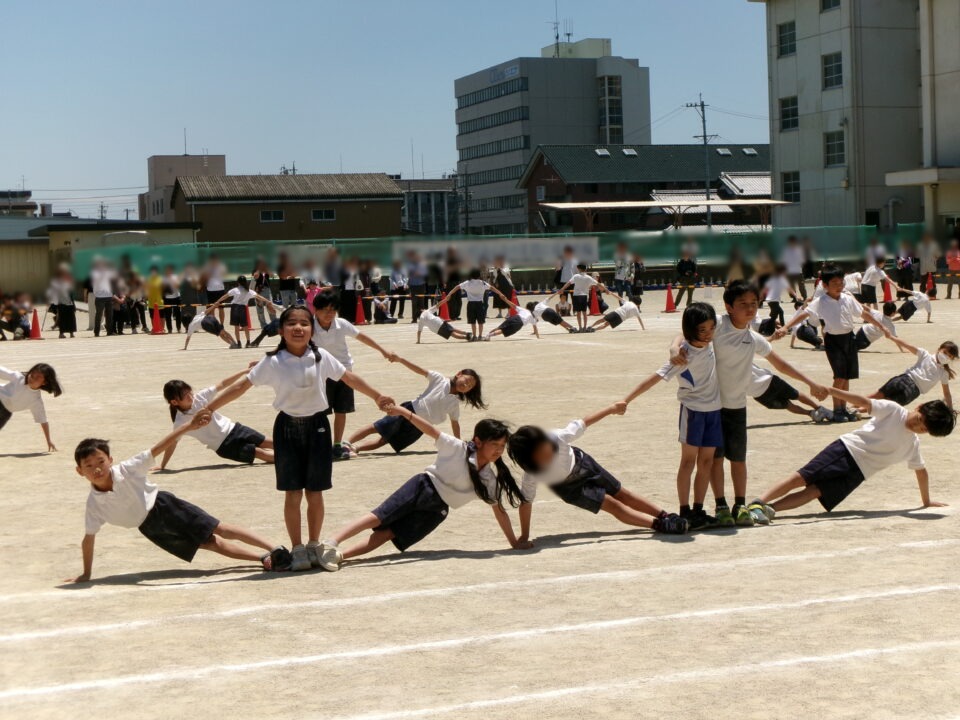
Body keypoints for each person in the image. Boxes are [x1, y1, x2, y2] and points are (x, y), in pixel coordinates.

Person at [205, 305, 393, 571]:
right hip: (287, 429)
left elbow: (348, 378)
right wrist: (210, 408)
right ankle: (298, 547)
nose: (298, 328)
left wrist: (377, 396)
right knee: (292, 491)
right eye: (291, 323)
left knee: (315, 491)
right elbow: (241, 386)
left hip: (318, 427)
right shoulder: (272, 361)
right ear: (281, 330)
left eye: (304, 323)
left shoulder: (321, 357)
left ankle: (314, 544)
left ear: (311, 330)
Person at [676, 282, 829, 526]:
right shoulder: (718, 325)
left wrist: (810, 382)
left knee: (738, 459)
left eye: (754, 304)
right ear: (728, 306)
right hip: (713, 407)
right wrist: (674, 348)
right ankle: (721, 505)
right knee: (715, 460)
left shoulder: (753, 338)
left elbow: (780, 365)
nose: (750, 309)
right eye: (743, 304)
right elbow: (687, 333)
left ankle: (739, 504)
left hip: (737, 406)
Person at [69, 426, 293, 583]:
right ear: (80, 471)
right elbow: (89, 538)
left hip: (164, 506)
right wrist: (86, 573)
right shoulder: (94, 504)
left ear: (110, 460)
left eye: (100, 461)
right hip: (150, 528)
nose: (96, 468)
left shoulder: (127, 469)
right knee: (211, 543)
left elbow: (159, 447)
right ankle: (263, 559)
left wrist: (190, 425)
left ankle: (275, 548)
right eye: (88, 465)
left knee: (219, 528)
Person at [320, 414, 527, 571]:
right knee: (378, 516)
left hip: (437, 511)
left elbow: (499, 511)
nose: (499, 450)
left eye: (502, 446)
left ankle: (339, 556)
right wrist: (404, 412)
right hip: (422, 486)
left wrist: (513, 542)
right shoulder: (458, 448)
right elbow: (430, 429)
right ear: (478, 441)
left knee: (387, 534)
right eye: (494, 444)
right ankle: (331, 542)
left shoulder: (489, 479)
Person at [750, 390, 955, 522]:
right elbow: (863, 401)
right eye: (919, 419)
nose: (917, 426)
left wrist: (926, 501)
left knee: (815, 492)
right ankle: (757, 502)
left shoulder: (912, 445)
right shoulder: (894, 411)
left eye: (924, 429)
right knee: (801, 477)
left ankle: (769, 510)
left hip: (858, 474)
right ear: (918, 407)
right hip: (846, 450)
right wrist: (832, 391)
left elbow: (921, 471)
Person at [508, 402, 689, 541]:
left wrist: (611, 409)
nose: (548, 451)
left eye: (545, 446)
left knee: (622, 493)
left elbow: (584, 422)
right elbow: (526, 502)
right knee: (613, 504)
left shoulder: (556, 437)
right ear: (531, 461)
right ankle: (659, 525)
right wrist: (524, 535)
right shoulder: (532, 474)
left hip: (584, 464)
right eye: (541, 454)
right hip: (570, 489)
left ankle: (665, 515)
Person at [622, 303, 720, 529]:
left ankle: (698, 510)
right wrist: (627, 400)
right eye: (702, 330)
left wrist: (674, 344)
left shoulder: (710, 344)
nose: (708, 333)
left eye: (711, 328)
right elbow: (655, 378)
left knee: (706, 462)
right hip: (693, 412)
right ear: (691, 330)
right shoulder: (684, 356)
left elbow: (679, 335)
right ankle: (685, 510)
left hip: (714, 410)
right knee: (688, 461)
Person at [775, 265, 889, 423]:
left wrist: (881, 326)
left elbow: (863, 313)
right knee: (839, 377)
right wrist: (786, 327)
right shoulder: (821, 301)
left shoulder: (847, 298)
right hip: (833, 341)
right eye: (834, 283)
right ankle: (837, 410)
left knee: (847, 377)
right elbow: (804, 314)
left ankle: (844, 408)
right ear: (825, 285)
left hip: (849, 339)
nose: (839, 286)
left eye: (841, 282)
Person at [312, 289, 395, 460]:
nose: (329, 314)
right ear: (316, 310)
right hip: (320, 375)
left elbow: (362, 337)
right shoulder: (309, 326)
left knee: (341, 410)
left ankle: (337, 444)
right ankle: (321, 445)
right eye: (325, 310)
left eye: (333, 310)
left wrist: (382, 350)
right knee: (319, 412)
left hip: (345, 373)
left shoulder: (341, 324)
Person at [345, 357, 483, 456]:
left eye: (470, 386)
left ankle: (355, 449)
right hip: (408, 410)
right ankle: (346, 443)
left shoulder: (455, 403)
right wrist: (400, 359)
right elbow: (419, 370)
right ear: (459, 374)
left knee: (383, 441)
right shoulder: (440, 379)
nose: (466, 385)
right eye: (467, 380)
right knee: (376, 427)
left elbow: (455, 423)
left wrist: (457, 443)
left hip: (420, 426)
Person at [159, 372, 275, 469]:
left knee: (270, 443)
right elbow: (172, 443)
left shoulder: (200, 397)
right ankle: (286, 459)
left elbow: (223, 384)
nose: (190, 395)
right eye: (185, 395)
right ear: (174, 402)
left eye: (189, 391)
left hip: (235, 429)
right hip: (225, 446)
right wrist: (162, 465)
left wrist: (245, 371)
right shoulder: (179, 423)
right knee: (261, 453)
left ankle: (287, 453)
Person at [870, 336, 956, 408]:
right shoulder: (925, 354)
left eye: (949, 356)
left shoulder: (944, 373)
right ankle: (861, 406)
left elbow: (947, 393)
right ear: (939, 349)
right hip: (904, 379)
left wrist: (950, 409)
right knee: (878, 395)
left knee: (887, 405)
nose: (946, 357)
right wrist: (891, 337)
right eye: (945, 352)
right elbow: (907, 345)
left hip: (913, 391)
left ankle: (862, 409)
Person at [0, 363, 61, 451]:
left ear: (44, 382)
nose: (32, 378)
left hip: (5, 413)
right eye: (32, 374)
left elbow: (43, 421)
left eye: (37, 377)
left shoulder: (36, 401)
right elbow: (3, 371)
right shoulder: (19, 377)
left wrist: (48, 440)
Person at [437, 268, 509, 340]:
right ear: (479, 275)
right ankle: (480, 336)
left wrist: (449, 294)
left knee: (473, 321)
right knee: (481, 321)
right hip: (480, 304)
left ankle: (474, 336)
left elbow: (457, 287)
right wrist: (500, 294)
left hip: (471, 304)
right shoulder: (482, 283)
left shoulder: (467, 283)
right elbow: (492, 288)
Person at [208, 276, 276, 348]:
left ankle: (239, 343)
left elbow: (225, 296)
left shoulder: (235, 290)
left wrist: (217, 301)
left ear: (238, 282)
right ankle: (248, 342)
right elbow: (258, 296)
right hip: (243, 309)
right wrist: (267, 301)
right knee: (245, 326)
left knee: (236, 327)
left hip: (234, 308)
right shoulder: (249, 291)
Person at [749, 365, 832, 423]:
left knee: (792, 399)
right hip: (764, 386)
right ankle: (814, 412)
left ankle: (816, 410)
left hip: (762, 388)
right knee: (792, 399)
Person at [557, 263, 610, 332]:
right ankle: (584, 327)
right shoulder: (588, 277)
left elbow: (568, 283)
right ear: (585, 269)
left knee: (578, 313)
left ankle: (580, 327)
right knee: (584, 313)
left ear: (579, 269)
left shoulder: (576, 276)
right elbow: (598, 284)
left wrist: (562, 289)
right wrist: (606, 290)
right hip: (584, 296)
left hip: (576, 296)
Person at [49, 265, 77, 339]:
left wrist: (73, 304)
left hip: (69, 302)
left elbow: (71, 293)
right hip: (61, 302)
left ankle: (71, 333)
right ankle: (61, 333)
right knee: (62, 318)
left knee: (71, 318)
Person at [90, 258, 116, 337]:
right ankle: (96, 332)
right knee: (99, 315)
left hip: (108, 295)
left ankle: (109, 331)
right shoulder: (95, 273)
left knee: (109, 315)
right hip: (100, 296)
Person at [252, 258, 276, 328]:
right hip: (258, 291)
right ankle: (263, 325)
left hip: (267, 290)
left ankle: (274, 322)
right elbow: (255, 276)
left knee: (270, 306)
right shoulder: (255, 270)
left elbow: (272, 275)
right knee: (260, 309)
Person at [203, 254, 228, 324]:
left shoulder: (221, 266)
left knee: (221, 308)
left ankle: (221, 324)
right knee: (212, 308)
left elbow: (224, 274)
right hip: (211, 289)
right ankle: (214, 324)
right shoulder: (207, 267)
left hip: (219, 289)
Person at [781, 235, 807, 300]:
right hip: (790, 271)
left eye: (793, 242)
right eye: (790, 242)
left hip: (798, 270)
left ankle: (804, 297)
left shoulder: (799, 250)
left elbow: (802, 260)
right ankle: (794, 298)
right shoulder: (786, 250)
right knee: (791, 286)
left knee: (801, 285)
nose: (792, 243)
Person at [161, 265, 183, 333]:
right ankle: (169, 329)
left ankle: (179, 328)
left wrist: (176, 284)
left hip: (176, 297)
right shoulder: (163, 278)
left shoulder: (175, 277)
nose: (168, 271)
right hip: (167, 298)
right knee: (168, 314)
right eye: (167, 270)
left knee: (178, 314)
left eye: (170, 270)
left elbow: (179, 286)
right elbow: (162, 288)